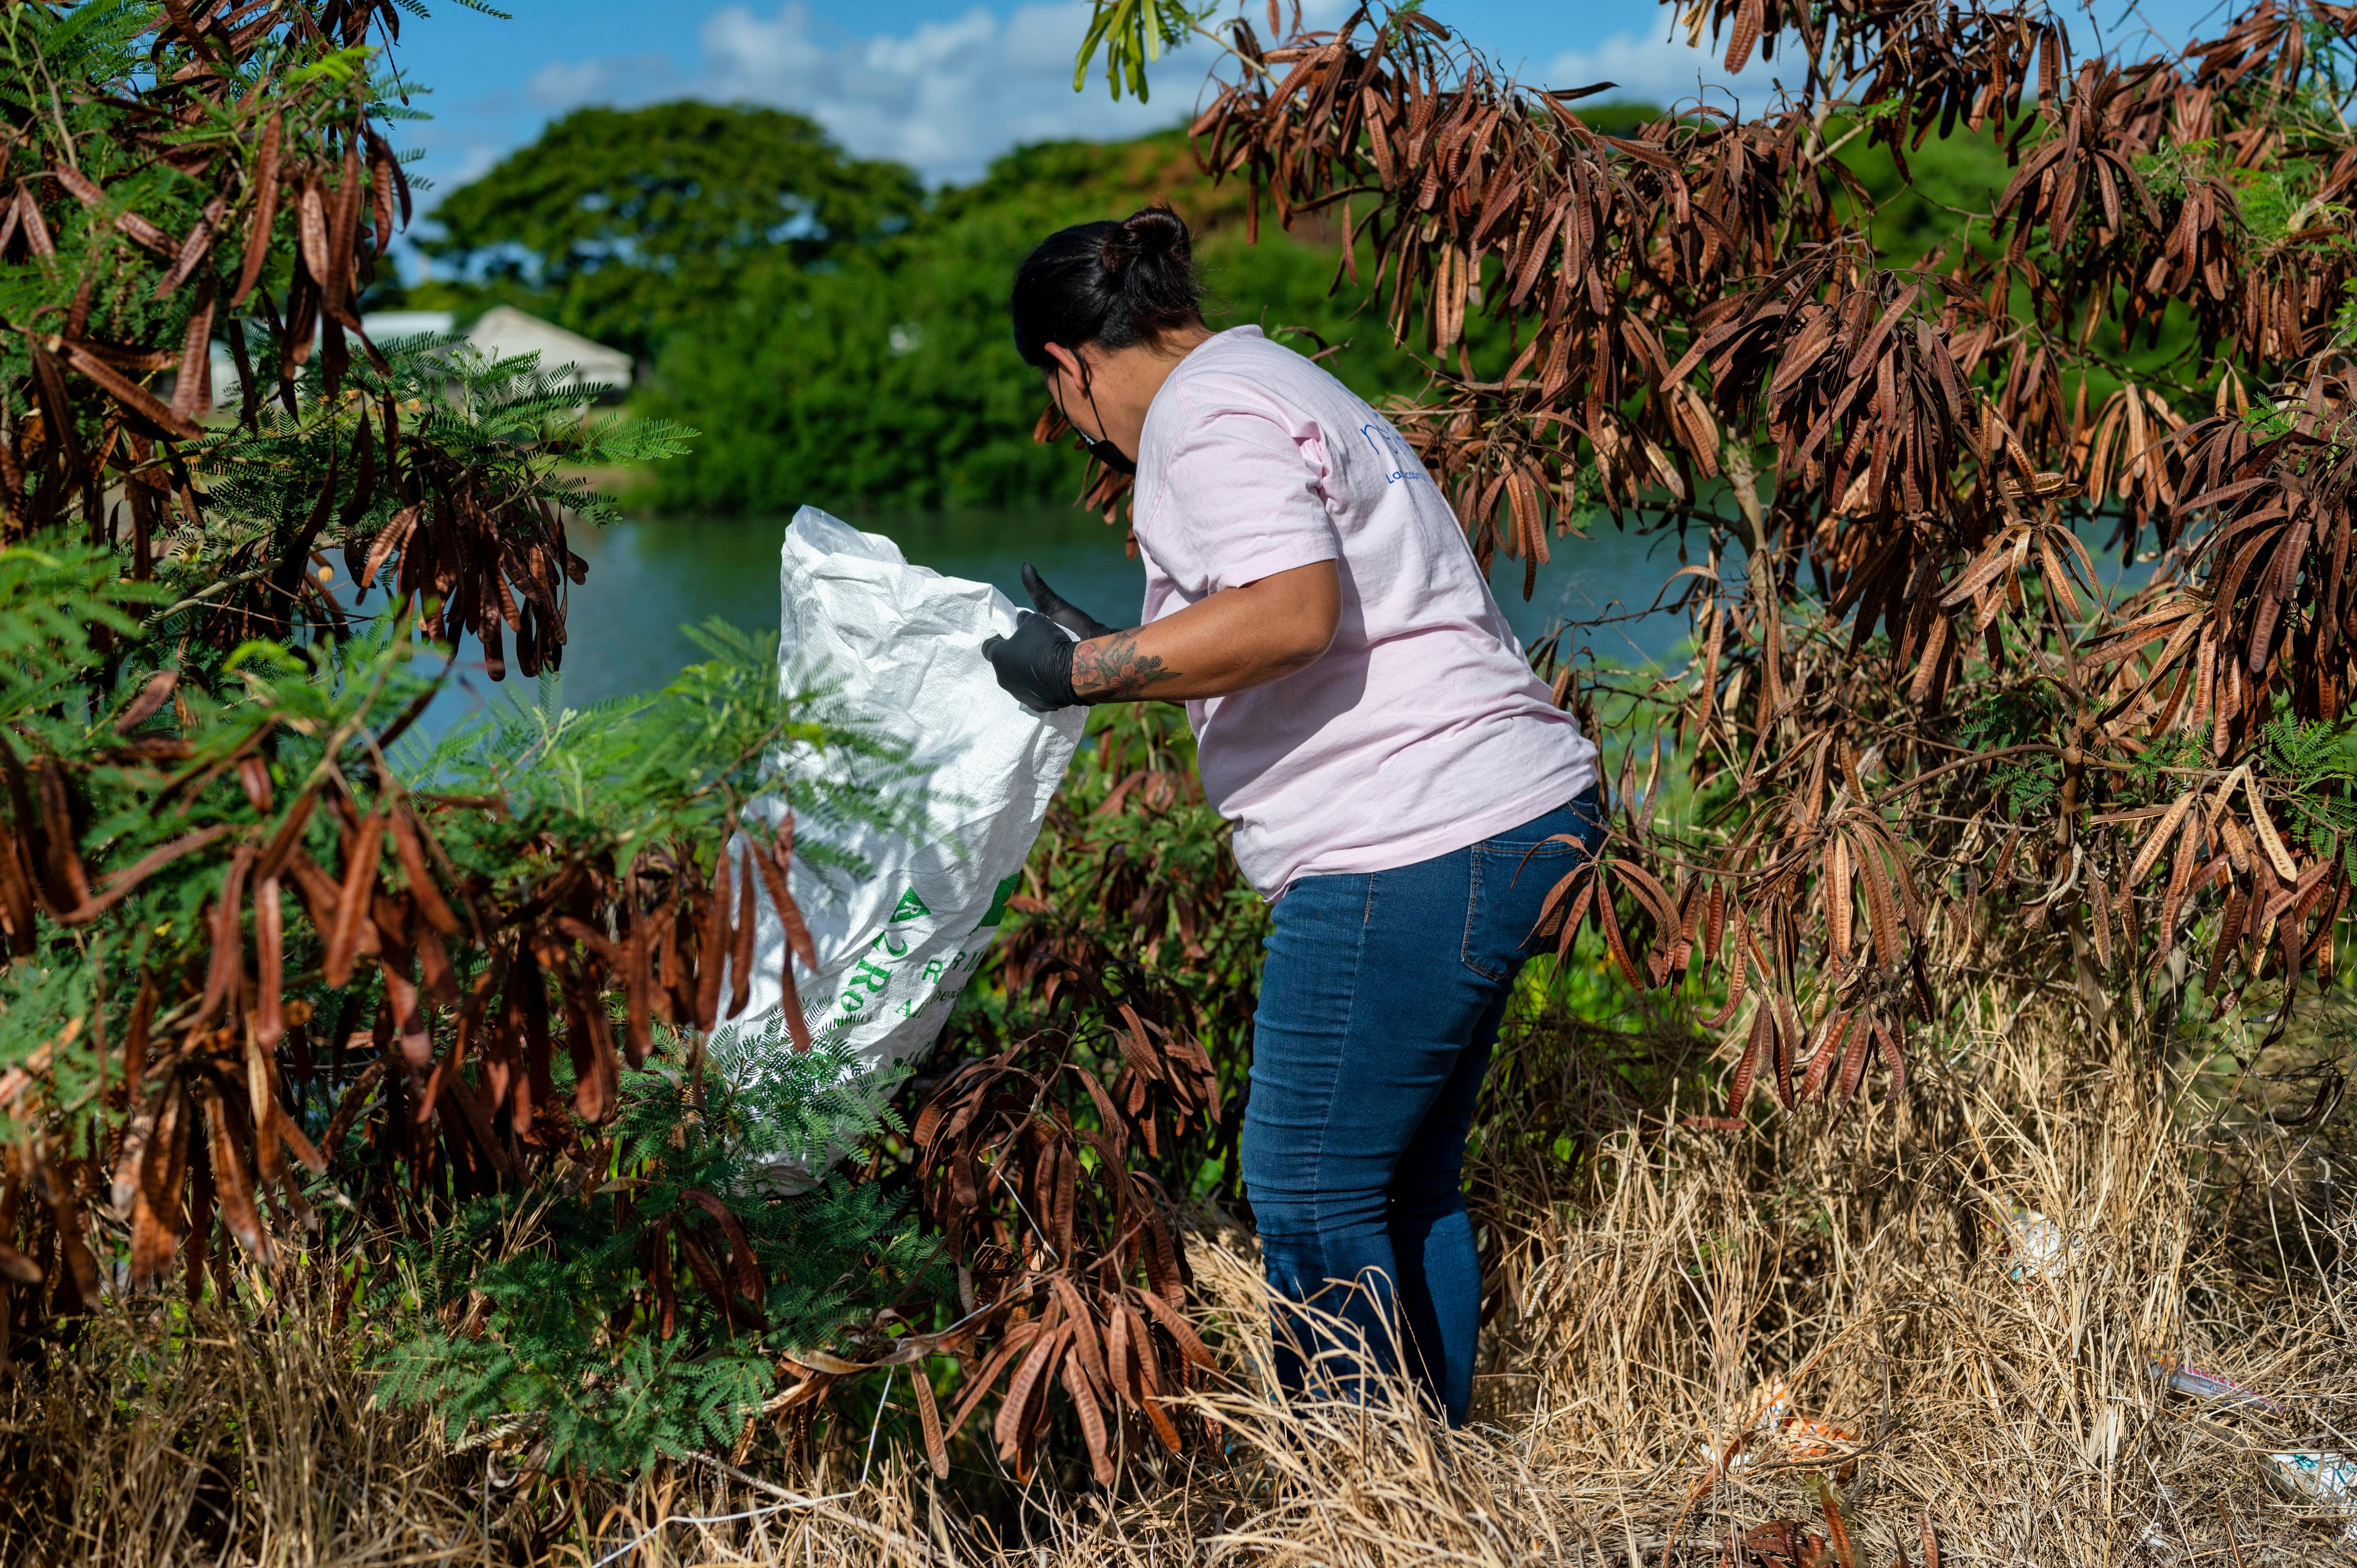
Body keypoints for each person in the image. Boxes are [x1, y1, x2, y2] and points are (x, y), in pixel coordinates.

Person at [981, 203, 1604, 1428]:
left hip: (1408, 833)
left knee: (1311, 1185)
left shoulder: (1201, 420)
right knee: (1400, 1183)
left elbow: (1291, 616)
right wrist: (1123, 642)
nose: (1077, 430)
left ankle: (1363, 1510)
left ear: (1070, 365)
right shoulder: (1274, 378)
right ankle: (1429, 1495)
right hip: (1503, 808)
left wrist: (1081, 676)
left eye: (1060, 402)